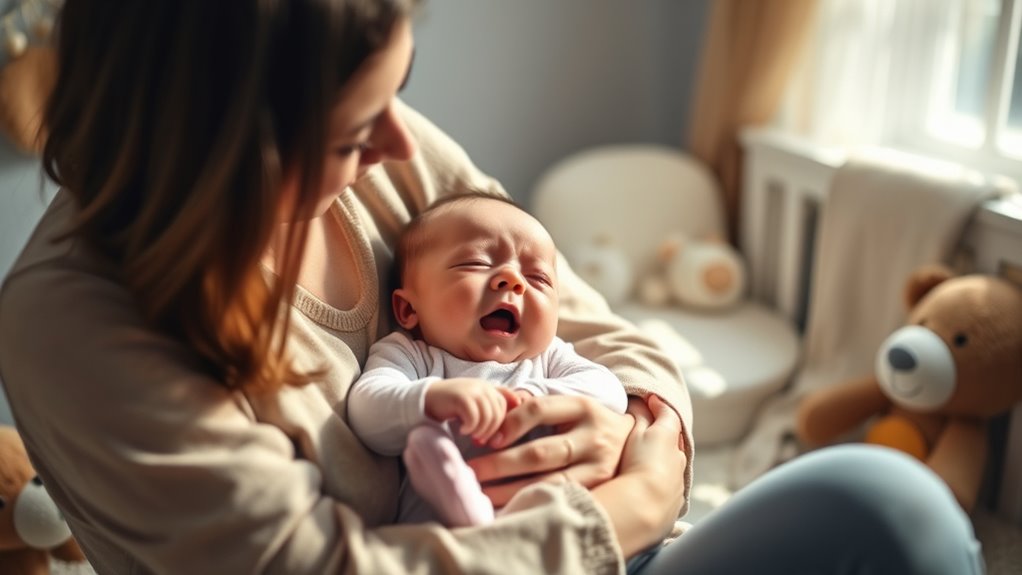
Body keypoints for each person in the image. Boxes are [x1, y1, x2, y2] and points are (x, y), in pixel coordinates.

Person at [0, 1, 984, 573]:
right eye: (351, 131)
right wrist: (625, 508)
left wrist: (645, 426)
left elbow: (603, 327)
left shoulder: (378, 151)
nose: (395, 144)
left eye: (398, 92)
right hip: (569, 540)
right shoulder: (78, 325)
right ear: (215, 144)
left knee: (886, 499)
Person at [347, 192, 629, 527]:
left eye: (538, 278)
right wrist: (432, 398)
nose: (512, 280)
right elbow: (366, 413)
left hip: (562, 519)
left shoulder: (549, 357)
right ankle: (467, 508)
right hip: (444, 541)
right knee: (429, 446)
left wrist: (538, 396)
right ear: (408, 309)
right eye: (477, 263)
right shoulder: (411, 355)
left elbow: (612, 392)